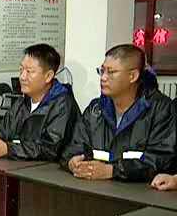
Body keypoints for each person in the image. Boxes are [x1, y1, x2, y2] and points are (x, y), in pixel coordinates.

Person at [61, 44, 176, 182]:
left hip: (138, 194)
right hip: (93, 189)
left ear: (132, 76)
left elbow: (161, 159)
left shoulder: (161, 109)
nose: (103, 77)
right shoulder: (95, 109)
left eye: (111, 72)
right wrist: (72, 162)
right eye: (101, 71)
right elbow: (74, 147)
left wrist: (112, 171)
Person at [0, 43, 80, 161]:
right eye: (21, 69)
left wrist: (8, 149)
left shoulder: (63, 105)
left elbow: (49, 150)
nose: (22, 76)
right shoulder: (21, 102)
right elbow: (1, 134)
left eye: (29, 71)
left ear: (48, 76)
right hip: (16, 168)